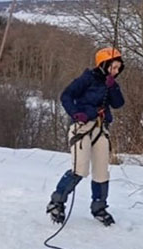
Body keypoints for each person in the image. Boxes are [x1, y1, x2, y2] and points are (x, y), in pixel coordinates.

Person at [45, 47, 125, 226]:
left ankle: (99, 207)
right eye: (113, 67)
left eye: (118, 68)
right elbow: (66, 95)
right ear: (104, 65)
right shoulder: (87, 79)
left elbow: (118, 103)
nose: (116, 71)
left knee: (102, 171)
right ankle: (57, 202)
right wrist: (75, 113)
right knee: (79, 169)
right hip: (82, 127)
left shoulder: (111, 83)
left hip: (101, 128)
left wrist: (113, 88)